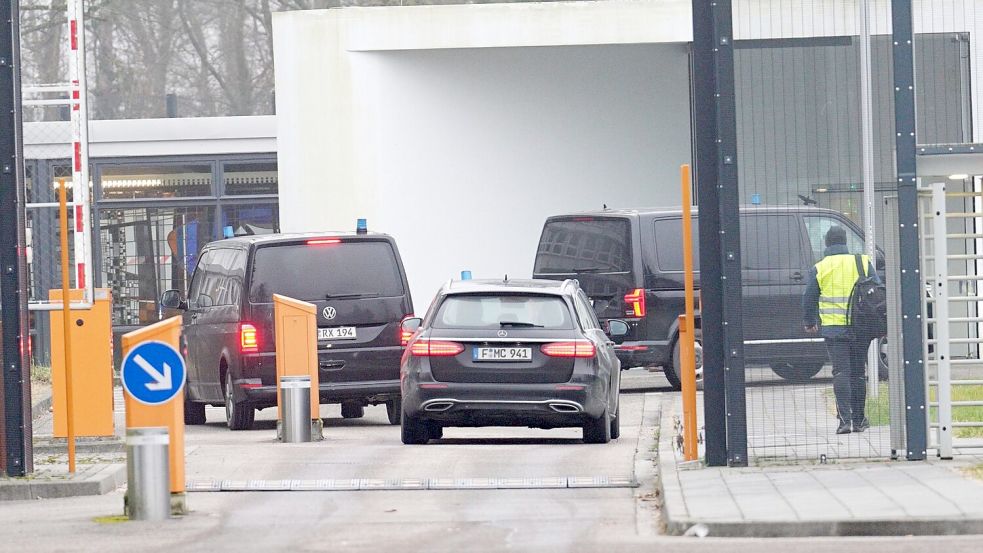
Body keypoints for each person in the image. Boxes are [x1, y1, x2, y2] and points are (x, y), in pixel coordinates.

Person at [802, 225, 879, 435]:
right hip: (861, 328)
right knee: (858, 373)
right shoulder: (862, 262)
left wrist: (809, 321)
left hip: (835, 330)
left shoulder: (820, 267)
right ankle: (860, 419)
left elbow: (808, 298)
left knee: (841, 372)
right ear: (845, 242)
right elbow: (877, 291)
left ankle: (844, 421)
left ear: (827, 243)